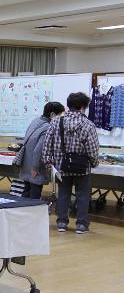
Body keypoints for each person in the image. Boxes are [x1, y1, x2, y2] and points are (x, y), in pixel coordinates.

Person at [42, 92, 100, 234]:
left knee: (63, 194)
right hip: (82, 167)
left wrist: (48, 161)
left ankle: (61, 222)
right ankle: (81, 224)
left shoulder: (56, 121)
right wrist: (94, 162)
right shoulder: (88, 124)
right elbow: (92, 149)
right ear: (83, 107)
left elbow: (47, 144)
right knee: (82, 195)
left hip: (61, 165)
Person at [13, 102, 65, 199]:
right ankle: (32, 213)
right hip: (34, 165)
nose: (61, 119)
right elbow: (39, 150)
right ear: (52, 115)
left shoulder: (36, 121)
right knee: (34, 196)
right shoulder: (48, 127)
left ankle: (22, 212)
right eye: (60, 116)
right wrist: (35, 168)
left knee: (27, 191)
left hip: (26, 163)